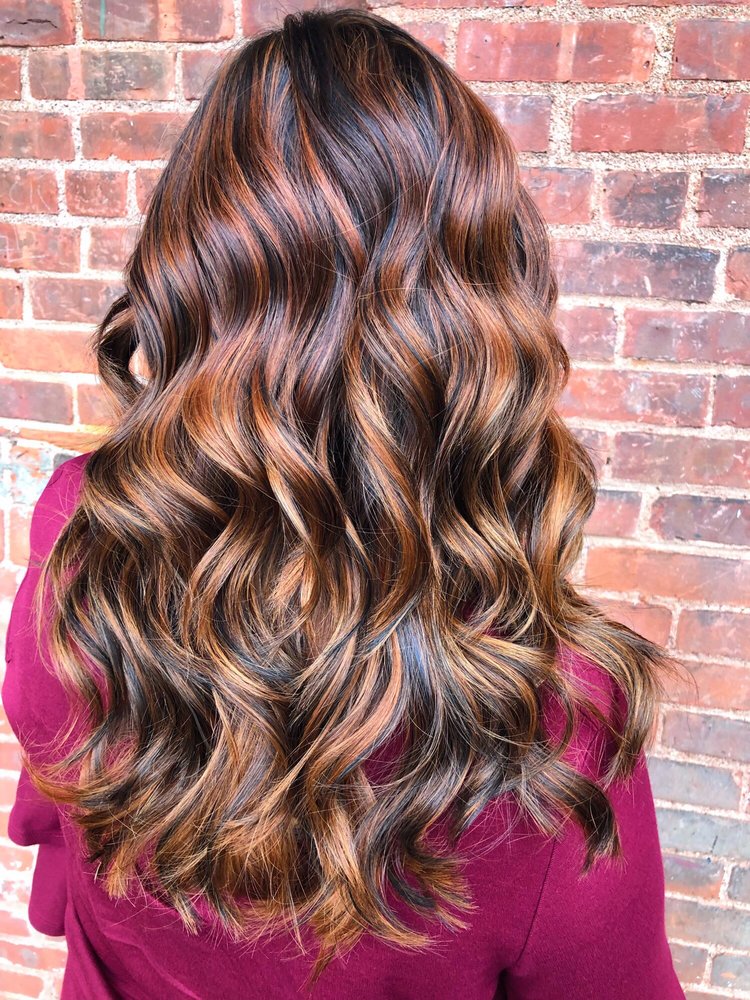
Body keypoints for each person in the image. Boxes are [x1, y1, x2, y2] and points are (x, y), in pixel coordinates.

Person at [2, 9, 687, 999]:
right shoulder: (549, 725)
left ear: (191, 274)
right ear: (483, 304)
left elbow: (55, 800)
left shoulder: (82, 529)